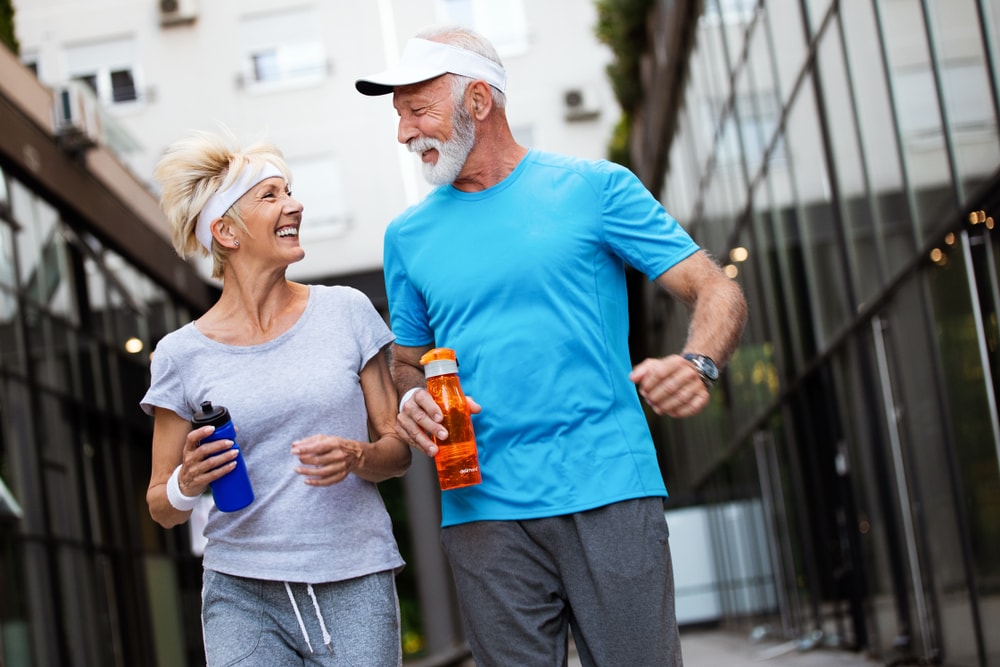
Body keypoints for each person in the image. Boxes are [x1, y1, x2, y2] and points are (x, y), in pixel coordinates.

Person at [355, 25, 748, 667]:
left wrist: (698, 362)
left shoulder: (595, 189)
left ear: (478, 101)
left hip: (608, 488)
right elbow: (408, 360)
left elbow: (715, 290)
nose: (404, 134)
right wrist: (415, 398)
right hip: (481, 509)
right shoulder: (407, 236)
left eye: (418, 111)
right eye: (399, 117)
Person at [140, 128, 411, 666]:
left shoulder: (347, 311)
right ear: (226, 231)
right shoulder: (180, 355)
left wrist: (358, 456)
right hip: (241, 590)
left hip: (353, 575)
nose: (295, 205)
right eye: (272, 196)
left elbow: (398, 452)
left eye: (289, 191)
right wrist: (187, 481)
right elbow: (161, 508)